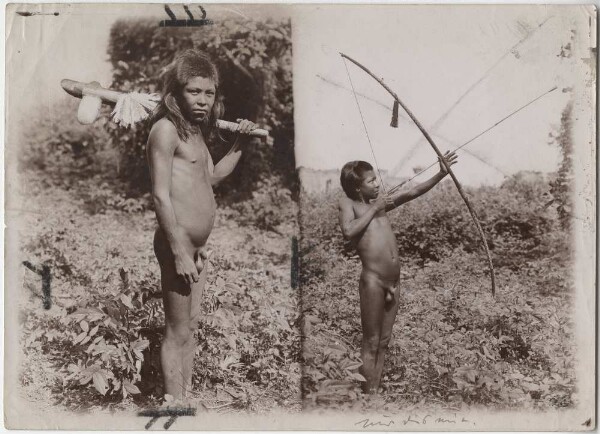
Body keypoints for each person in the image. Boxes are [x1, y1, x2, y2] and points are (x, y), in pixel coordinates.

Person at [147, 50, 256, 402]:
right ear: (176, 93)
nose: (202, 100)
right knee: (177, 331)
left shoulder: (194, 132)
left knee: (190, 327)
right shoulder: (164, 131)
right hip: (178, 246)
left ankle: (186, 399)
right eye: (194, 92)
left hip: (197, 249)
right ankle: (172, 404)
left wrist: (241, 142)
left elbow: (212, 176)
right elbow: (161, 197)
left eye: (208, 93)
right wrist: (179, 251)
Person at [338, 151, 458, 394]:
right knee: (371, 341)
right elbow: (348, 232)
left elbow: (412, 192)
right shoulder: (349, 204)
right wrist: (376, 208)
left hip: (395, 281)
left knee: (383, 341)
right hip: (373, 281)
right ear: (357, 187)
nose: (377, 183)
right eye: (371, 181)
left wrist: (440, 173)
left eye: (375, 179)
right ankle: (365, 396)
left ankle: (373, 390)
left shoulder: (378, 205)